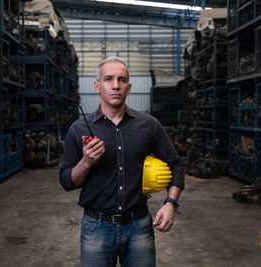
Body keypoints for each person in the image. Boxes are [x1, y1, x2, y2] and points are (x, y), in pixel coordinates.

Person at [59, 56, 184, 267]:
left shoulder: (149, 125)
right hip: (96, 228)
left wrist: (171, 204)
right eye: (108, 79)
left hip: (138, 226)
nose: (115, 85)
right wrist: (86, 162)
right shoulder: (79, 129)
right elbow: (66, 181)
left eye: (122, 79)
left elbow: (176, 165)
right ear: (97, 86)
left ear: (129, 87)